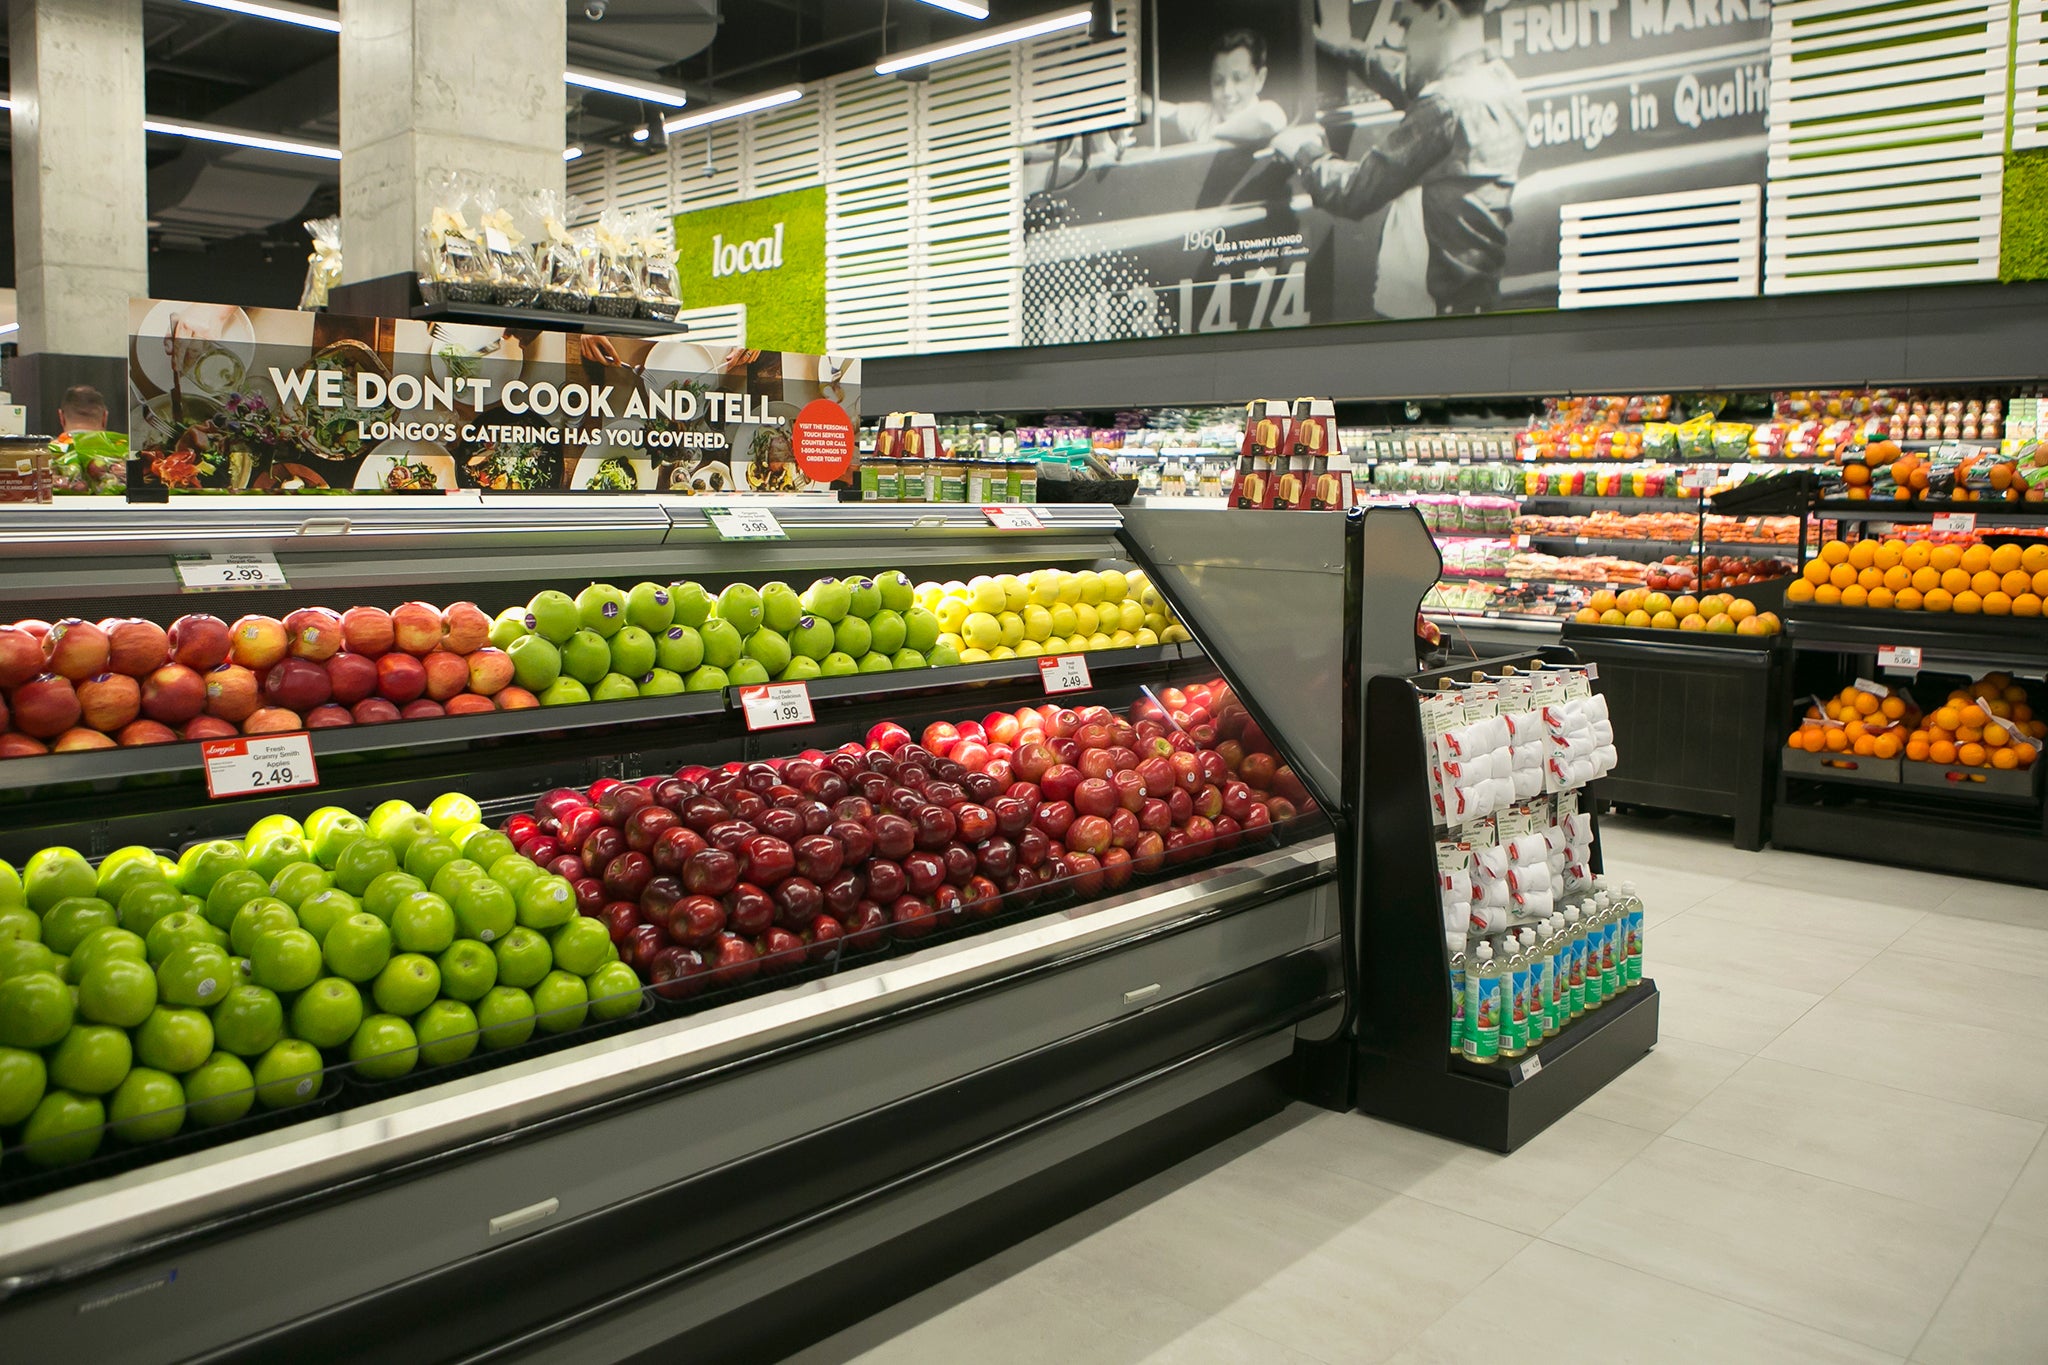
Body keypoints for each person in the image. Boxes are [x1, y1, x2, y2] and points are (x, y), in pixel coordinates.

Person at [1271, 0, 1527, 314]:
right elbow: (1408, 84)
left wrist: (1301, 150)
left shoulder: (1444, 106)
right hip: (1473, 302)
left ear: (1441, 13)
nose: (1402, 40)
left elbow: (1353, 193)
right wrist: (1347, 48)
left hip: (1429, 316)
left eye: (1406, 24)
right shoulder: (1501, 82)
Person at [1146, 30, 1289, 147]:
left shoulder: (1265, 115)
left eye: (1238, 78)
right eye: (1218, 81)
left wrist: (1214, 134)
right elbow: (1155, 108)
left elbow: (1270, 118)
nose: (1227, 91)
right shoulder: (1205, 115)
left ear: (1260, 79)